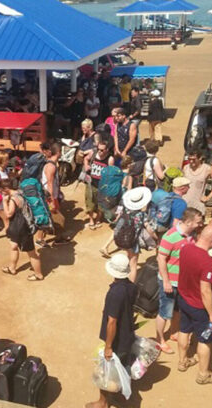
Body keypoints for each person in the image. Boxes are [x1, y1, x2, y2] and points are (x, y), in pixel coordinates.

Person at [85, 254, 137, 408]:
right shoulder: (132, 287)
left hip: (117, 339)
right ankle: (115, 397)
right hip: (127, 335)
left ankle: (103, 402)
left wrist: (108, 346)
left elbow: (112, 321)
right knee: (121, 367)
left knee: (106, 371)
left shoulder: (115, 293)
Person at [176, 225, 212, 384]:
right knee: (204, 339)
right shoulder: (207, 262)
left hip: (183, 299)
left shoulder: (185, 249)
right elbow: (205, 291)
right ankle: (203, 374)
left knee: (184, 329)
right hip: (198, 306)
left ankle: (182, 361)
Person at [155, 207, 204, 354]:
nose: (200, 224)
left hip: (183, 282)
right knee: (165, 311)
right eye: (198, 222)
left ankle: (174, 332)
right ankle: (160, 339)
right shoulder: (170, 236)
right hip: (170, 282)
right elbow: (161, 258)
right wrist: (166, 281)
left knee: (178, 309)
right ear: (188, 222)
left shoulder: (192, 235)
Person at [0, 180, 44, 281]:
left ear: (6, 189)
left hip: (21, 227)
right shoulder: (21, 193)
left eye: (1, 191)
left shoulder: (13, 199)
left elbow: (8, 214)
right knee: (13, 246)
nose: (1, 193)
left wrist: (4, 202)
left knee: (31, 252)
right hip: (22, 226)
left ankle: (39, 275)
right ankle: (12, 268)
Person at [37, 142, 71, 247]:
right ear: (59, 152)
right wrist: (52, 200)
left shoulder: (51, 164)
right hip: (49, 197)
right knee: (56, 219)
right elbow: (50, 185)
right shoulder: (51, 166)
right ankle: (42, 238)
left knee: (50, 218)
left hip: (51, 196)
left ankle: (57, 238)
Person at [86, 141, 115, 229]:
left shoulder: (110, 159)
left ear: (107, 150)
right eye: (98, 149)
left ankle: (98, 219)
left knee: (101, 205)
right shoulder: (93, 154)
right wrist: (86, 165)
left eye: (102, 150)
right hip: (91, 184)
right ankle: (91, 220)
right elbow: (85, 158)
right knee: (89, 203)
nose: (99, 151)